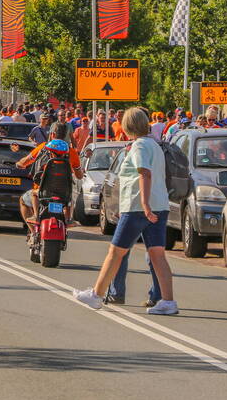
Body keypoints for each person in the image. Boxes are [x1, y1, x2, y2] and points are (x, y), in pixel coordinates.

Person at [74, 108, 178, 315]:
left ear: (128, 126)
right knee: (157, 254)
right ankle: (168, 301)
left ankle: (96, 295)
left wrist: (144, 204)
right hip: (159, 205)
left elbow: (144, 173)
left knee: (116, 252)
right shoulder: (155, 145)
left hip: (138, 207)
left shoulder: (140, 146)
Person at [15, 122, 82, 225]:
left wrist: (19, 164)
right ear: (66, 135)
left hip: (43, 192)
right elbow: (79, 176)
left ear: (52, 134)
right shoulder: (71, 152)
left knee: (23, 200)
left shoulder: (43, 148)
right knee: (69, 199)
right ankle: (68, 219)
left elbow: (25, 161)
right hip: (64, 194)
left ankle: (35, 224)